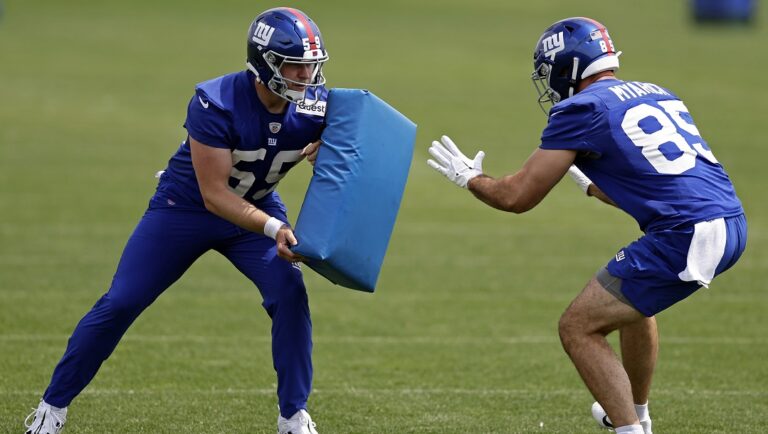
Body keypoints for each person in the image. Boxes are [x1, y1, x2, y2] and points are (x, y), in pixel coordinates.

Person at [427, 17, 746, 434]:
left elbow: (517, 197)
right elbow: (668, 180)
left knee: (578, 327)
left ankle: (629, 429)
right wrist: (596, 190)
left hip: (686, 235)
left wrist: (470, 178)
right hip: (731, 223)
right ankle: (636, 415)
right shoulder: (657, 92)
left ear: (568, 66)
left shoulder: (581, 108)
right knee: (633, 303)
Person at [24, 7, 330, 434]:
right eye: (295, 65)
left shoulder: (317, 104)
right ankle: (51, 408)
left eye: (311, 65)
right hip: (186, 209)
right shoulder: (216, 101)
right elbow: (215, 194)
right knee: (122, 301)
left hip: (255, 205)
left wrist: (327, 153)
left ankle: (293, 416)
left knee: (290, 293)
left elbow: (358, 147)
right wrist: (275, 227)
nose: (306, 76)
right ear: (264, 63)